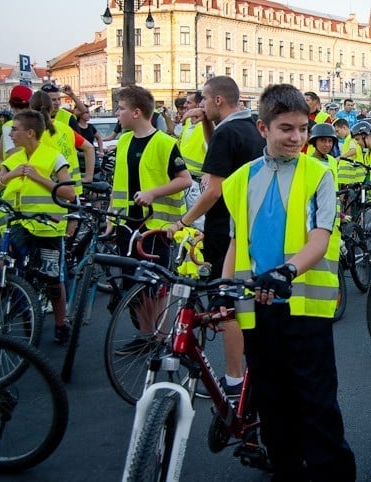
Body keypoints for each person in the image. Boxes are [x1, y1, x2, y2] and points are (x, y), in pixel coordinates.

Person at [216, 83, 355, 481]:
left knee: (318, 407)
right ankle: (285, 471)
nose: (297, 137)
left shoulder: (320, 174)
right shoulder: (239, 180)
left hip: (305, 309)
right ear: (263, 128)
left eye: (303, 128)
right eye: (286, 129)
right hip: (258, 309)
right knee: (273, 406)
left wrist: (287, 271)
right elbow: (236, 241)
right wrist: (225, 286)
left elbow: (321, 236)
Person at [166, 76, 265, 395]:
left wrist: (184, 221)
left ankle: (234, 378)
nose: (200, 106)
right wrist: (208, 124)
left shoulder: (228, 133)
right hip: (250, 224)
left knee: (227, 304)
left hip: (225, 228)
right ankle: (247, 373)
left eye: (204, 100)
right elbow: (217, 152)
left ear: (219, 101)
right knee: (240, 301)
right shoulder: (247, 126)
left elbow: (213, 190)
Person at [109, 85, 191, 354]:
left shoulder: (165, 143)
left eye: (121, 108)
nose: (117, 113)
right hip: (126, 223)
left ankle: (160, 337)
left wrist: (153, 193)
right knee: (135, 285)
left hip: (156, 226)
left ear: (136, 112)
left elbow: (184, 180)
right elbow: (117, 183)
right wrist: (111, 217)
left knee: (157, 286)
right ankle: (146, 337)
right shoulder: (123, 141)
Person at [0, 110, 76, 344]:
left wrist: (39, 178)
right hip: (16, 225)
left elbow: (69, 193)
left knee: (53, 278)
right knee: (9, 269)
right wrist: (9, 176)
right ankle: (23, 309)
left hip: (47, 227)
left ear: (30, 133)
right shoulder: (13, 159)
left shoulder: (53, 157)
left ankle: (60, 324)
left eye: (15, 129)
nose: (11, 134)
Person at [30, 91, 95, 193]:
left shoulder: (31, 133)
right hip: (72, 189)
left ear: (31, 109)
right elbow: (89, 147)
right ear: (51, 108)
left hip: (47, 190)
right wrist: (88, 177)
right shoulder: (64, 128)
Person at [178, 91, 208, 231]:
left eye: (189, 102)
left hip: (196, 181)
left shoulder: (205, 126)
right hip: (185, 179)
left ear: (198, 105)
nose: (185, 105)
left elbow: (211, 152)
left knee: (197, 222)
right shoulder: (188, 123)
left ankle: (199, 250)